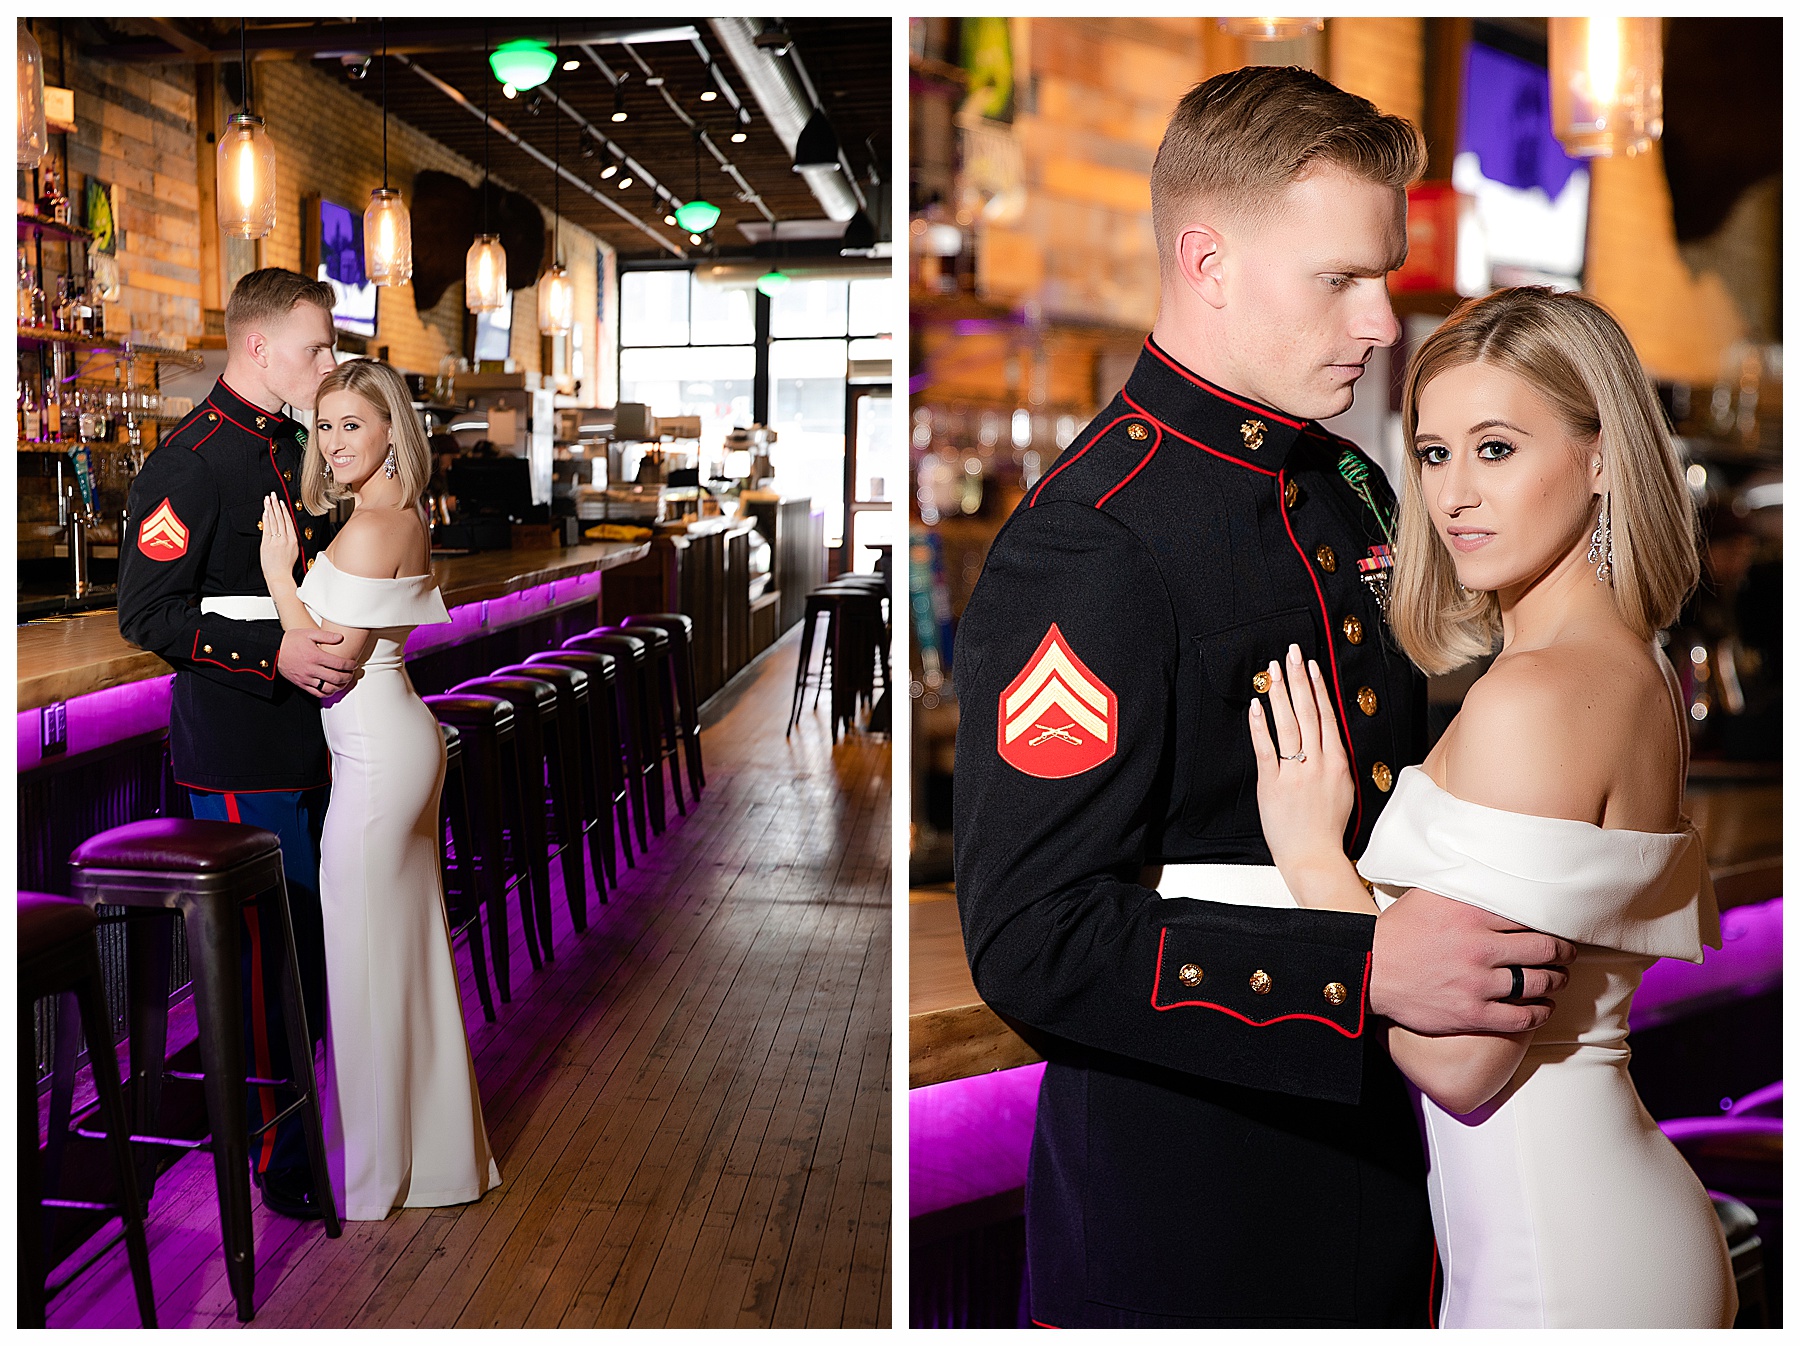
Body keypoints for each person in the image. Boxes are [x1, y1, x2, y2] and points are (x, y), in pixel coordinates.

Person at [952, 66, 1575, 1328]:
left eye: (1382, 276)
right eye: (1340, 279)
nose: (1383, 322)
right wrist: (1357, 965)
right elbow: (1031, 937)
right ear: (1207, 261)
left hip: (1386, 1175)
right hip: (1190, 1211)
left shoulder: (1346, 483)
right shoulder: (1093, 540)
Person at [1248, 287, 1735, 1327]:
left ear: (1602, 458)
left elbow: (1462, 1063)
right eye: (1432, 453)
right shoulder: (1634, 671)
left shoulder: (1534, 698)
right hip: (1606, 1220)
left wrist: (1313, 857)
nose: (1456, 494)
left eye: (1497, 448)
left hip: (1558, 1253)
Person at [118, 268, 354, 1220]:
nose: (330, 364)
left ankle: (301, 1130)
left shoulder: (291, 443)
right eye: (318, 347)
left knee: (309, 948)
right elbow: (148, 612)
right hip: (238, 741)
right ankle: (277, 1156)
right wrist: (275, 652)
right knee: (273, 962)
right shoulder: (193, 459)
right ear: (260, 349)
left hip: (310, 731)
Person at [259, 358, 501, 1221]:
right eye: (323, 426)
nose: (333, 441)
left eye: (351, 425)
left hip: (372, 757)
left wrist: (280, 574)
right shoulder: (396, 512)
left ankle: (368, 1181)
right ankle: (433, 1162)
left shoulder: (368, 527)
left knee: (363, 967)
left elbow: (327, 671)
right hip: (399, 744)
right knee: (408, 959)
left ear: (392, 430)